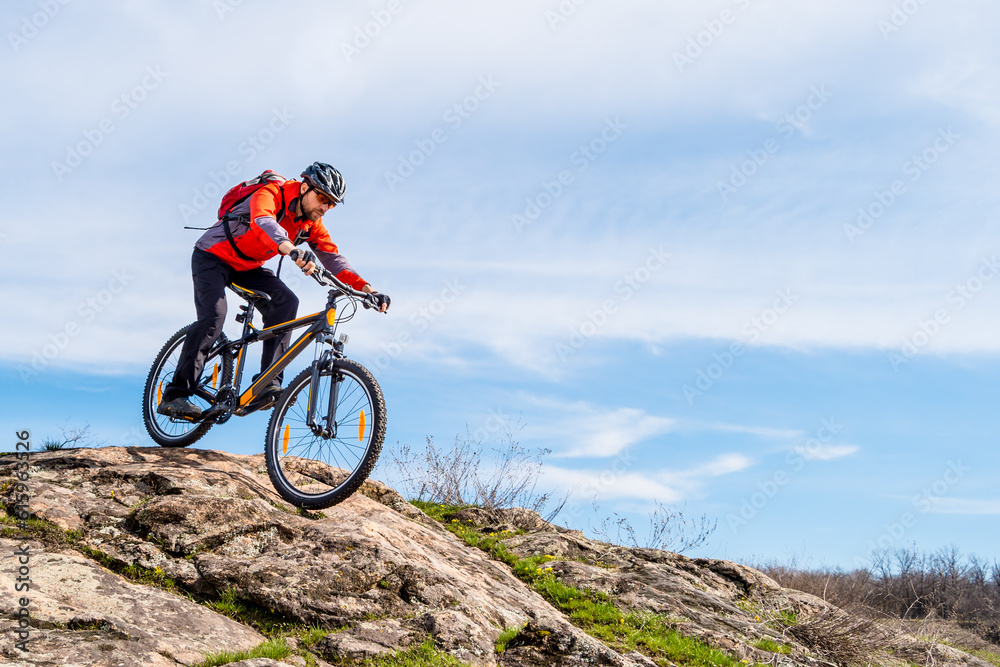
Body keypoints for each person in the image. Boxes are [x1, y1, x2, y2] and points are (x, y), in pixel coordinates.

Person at [158, 162, 390, 419]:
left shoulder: (311, 223)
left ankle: (267, 383)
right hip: (212, 257)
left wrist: (368, 289)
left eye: (331, 204)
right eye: (322, 198)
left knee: (286, 302)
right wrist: (291, 248)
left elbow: (333, 258)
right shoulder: (271, 192)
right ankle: (175, 394)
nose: (324, 207)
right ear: (304, 188)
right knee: (214, 316)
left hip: (247, 267)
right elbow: (263, 221)